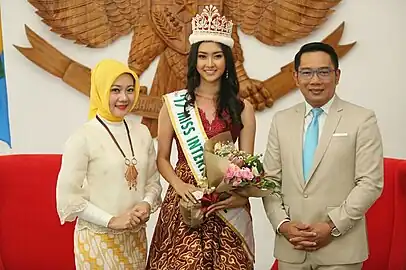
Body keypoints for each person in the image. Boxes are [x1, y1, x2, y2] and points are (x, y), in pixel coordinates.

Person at [146, 5, 256, 270]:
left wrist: (241, 196)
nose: (210, 64)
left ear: (227, 60)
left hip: (225, 205)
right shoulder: (174, 104)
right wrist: (180, 186)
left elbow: (248, 164)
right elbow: (162, 158)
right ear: (194, 60)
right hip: (184, 202)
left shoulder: (243, 108)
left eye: (217, 56)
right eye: (203, 56)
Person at [262, 42, 383, 270]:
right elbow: (269, 181)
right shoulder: (281, 120)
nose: (315, 80)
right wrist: (284, 225)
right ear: (296, 77)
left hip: (340, 250)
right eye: (307, 72)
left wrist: (332, 225)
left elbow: (370, 183)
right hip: (292, 248)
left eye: (323, 72)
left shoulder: (362, 119)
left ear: (337, 75)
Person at [56, 59, 162, 269]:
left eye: (130, 90)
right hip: (97, 241)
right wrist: (111, 221)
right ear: (100, 90)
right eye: (115, 90)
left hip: (134, 240)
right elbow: (68, 199)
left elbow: (153, 182)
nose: (124, 98)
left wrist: (146, 203)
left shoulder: (142, 133)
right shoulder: (82, 137)